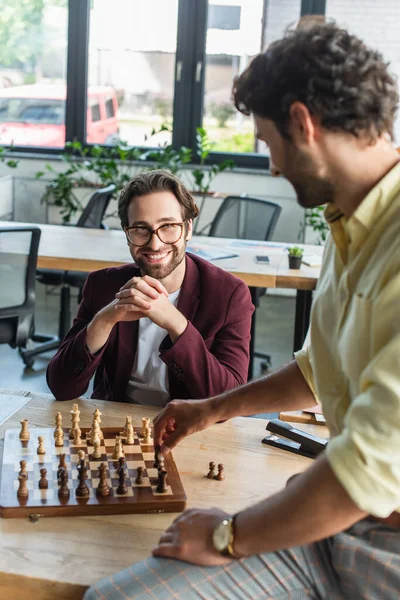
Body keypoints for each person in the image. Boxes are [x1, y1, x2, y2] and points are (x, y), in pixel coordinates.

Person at [84, 23, 400, 599]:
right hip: (333, 526)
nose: (274, 167)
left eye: (268, 143)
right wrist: (212, 408)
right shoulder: (350, 224)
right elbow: (316, 369)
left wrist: (231, 534)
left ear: (303, 124)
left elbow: (367, 471)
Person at [47, 170, 254, 405]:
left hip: (190, 431)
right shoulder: (102, 285)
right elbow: (61, 387)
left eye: (168, 227)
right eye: (140, 229)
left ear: (188, 228)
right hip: (115, 428)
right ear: (127, 234)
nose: (155, 243)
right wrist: (104, 320)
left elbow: (229, 400)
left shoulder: (229, 295)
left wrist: (177, 325)